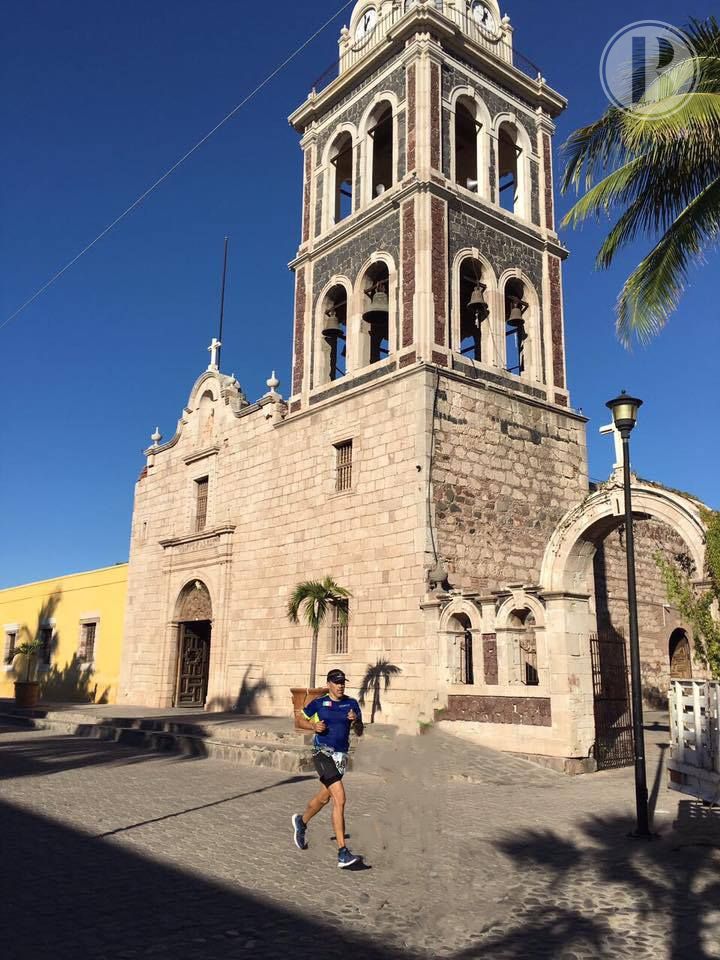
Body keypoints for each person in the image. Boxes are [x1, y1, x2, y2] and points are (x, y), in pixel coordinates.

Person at [292, 668, 364, 868]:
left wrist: (355, 720)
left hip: (340, 757)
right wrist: (313, 727)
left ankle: (301, 821)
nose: (341, 685)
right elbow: (299, 720)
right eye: (337, 682)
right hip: (322, 753)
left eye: (343, 682)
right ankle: (342, 852)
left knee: (324, 797)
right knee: (340, 798)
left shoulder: (352, 704)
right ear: (329, 684)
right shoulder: (319, 703)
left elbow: (359, 731)